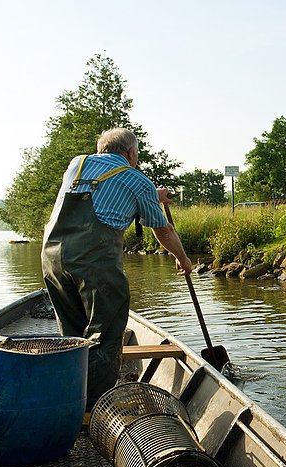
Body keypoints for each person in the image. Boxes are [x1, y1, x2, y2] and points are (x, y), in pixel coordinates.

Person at [41, 128, 193, 410]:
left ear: (101, 149)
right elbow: (163, 232)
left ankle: (70, 400)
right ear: (132, 153)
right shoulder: (138, 181)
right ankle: (94, 410)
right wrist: (183, 259)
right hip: (95, 262)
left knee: (72, 335)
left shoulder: (77, 163)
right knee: (105, 335)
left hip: (53, 257)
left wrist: (153, 194)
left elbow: (101, 189)